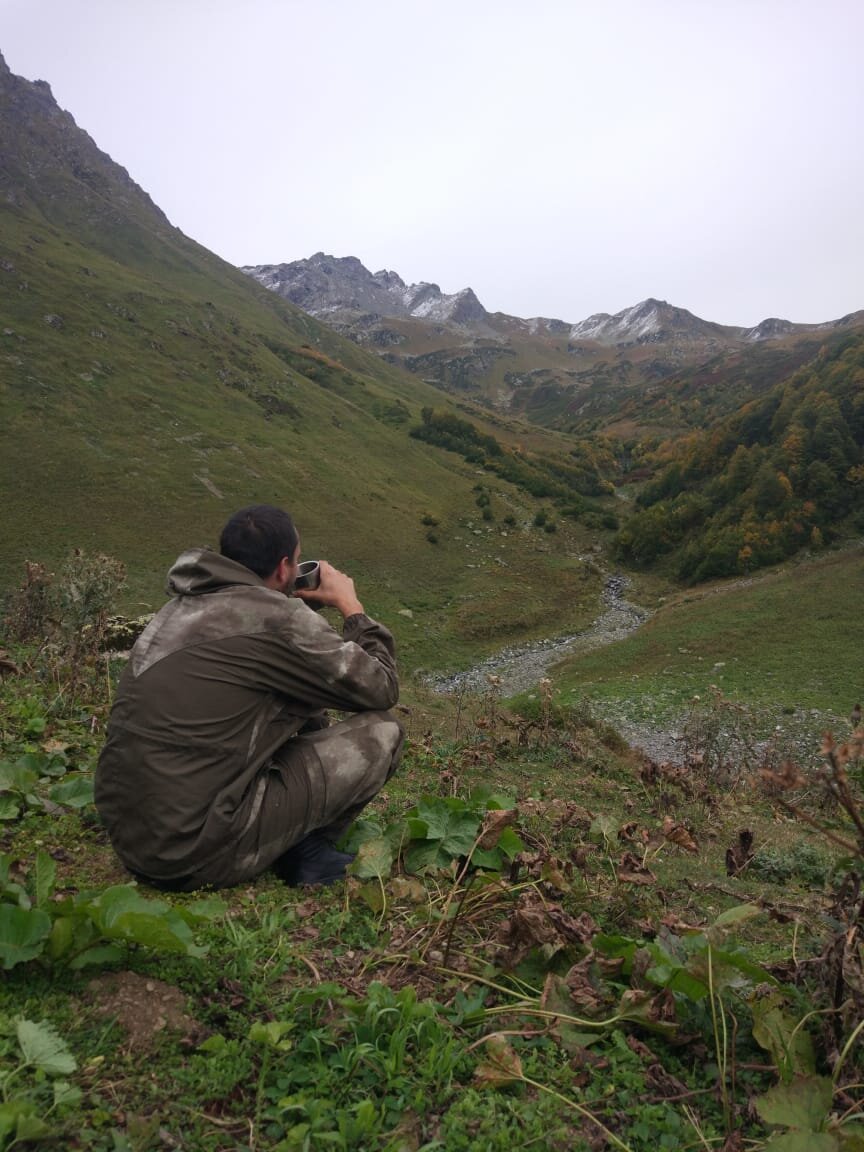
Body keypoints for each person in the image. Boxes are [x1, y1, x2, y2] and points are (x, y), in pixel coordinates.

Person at [95, 504, 403, 890]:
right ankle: (305, 853)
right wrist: (351, 607)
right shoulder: (282, 622)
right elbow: (381, 687)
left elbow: (255, 654)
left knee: (293, 701)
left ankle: (280, 834)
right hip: (192, 853)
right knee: (383, 733)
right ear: (283, 567)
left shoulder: (177, 610)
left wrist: (296, 609)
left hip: (132, 835)